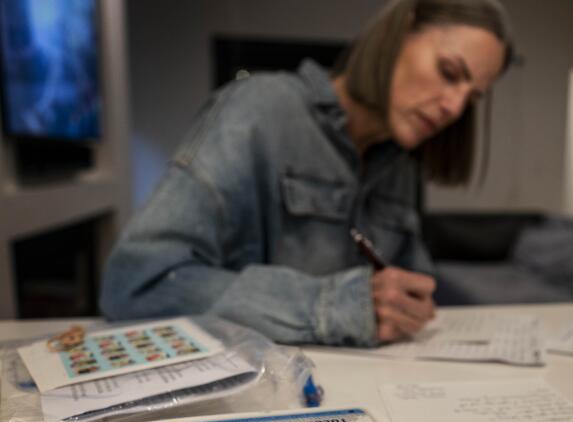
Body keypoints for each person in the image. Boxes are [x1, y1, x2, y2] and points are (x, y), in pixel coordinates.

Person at [99, 0, 514, 346]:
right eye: (448, 73)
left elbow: (408, 291)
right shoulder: (259, 110)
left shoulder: (399, 160)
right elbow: (136, 282)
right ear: (402, 32)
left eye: (471, 97)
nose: (454, 109)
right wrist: (332, 306)